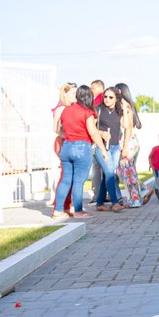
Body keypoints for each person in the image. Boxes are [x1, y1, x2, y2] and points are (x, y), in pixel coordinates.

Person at [54, 84, 107, 220]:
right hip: (82, 148)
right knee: (78, 181)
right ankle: (78, 211)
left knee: (66, 180)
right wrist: (103, 150)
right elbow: (94, 133)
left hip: (66, 147)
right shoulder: (87, 112)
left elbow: (60, 130)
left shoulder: (66, 111)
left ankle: (58, 210)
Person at [93, 86, 125, 212]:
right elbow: (89, 128)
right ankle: (115, 202)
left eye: (110, 97)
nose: (107, 99)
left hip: (115, 147)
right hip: (101, 148)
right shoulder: (98, 110)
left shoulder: (120, 111)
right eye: (105, 97)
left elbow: (126, 126)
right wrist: (101, 133)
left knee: (108, 175)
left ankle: (100, 203)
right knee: (110, 174)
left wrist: (125, 107)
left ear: (116, 99)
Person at [115, 82, 146, 207]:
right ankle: (142, 191)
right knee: (127, 171)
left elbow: (127, 127)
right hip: (130, 141)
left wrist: (125, 147)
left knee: (127, 172)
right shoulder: (128, 106)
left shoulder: (126, 106)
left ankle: (135, 199)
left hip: (128, 142)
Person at [51, 82, 77, 216]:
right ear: (65, 94)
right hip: (63, 143)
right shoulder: (61, 109)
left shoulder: (72, 107)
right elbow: (55, 129)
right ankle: (58, 206)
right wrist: (67, 134)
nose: (75, 96)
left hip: (70, 143)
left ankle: (66, 205)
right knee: (66, 175)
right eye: (72, 93)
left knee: (71, 176)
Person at [88, 79, 106, 204]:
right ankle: (106, 193)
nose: (91, 91)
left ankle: (97, 195)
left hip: (98, 139)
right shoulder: (108, 99)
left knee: (97, 169)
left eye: (93, 88)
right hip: (108, 139)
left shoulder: (98, 101)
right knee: (107, 169)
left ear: (100, 87)